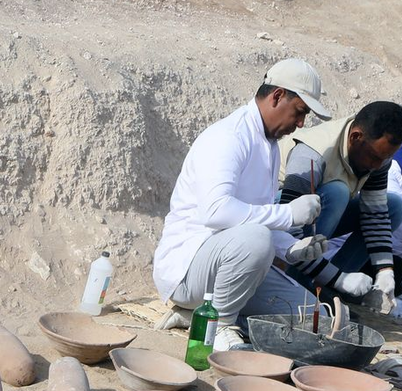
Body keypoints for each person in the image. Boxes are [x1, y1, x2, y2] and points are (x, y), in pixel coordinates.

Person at [153, 59, 330, 351]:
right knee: (256, 239)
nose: (300, 123)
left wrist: (290, 248)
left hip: (230, 267)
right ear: (277, 96)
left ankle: (198, 316)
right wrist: (288, 214)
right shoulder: (229, 136)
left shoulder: (268, 144)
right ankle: (219, 326)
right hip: (187, 272)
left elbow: (253, 217)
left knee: (314, 317)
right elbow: (216, 212)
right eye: (300, 112)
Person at [248, 101, 402, 319]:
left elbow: (375, 215)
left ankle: (328, 289)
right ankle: (302, 286)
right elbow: (289, 233)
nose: (378, 165)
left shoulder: (376, 156)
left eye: (385, 158)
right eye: (376, 157)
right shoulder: (311, 154)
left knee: (393, 206)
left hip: (318, 218)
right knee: (337, 192)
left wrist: (385, 271)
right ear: (355, 137)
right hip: (278, 221)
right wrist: (339, 278)